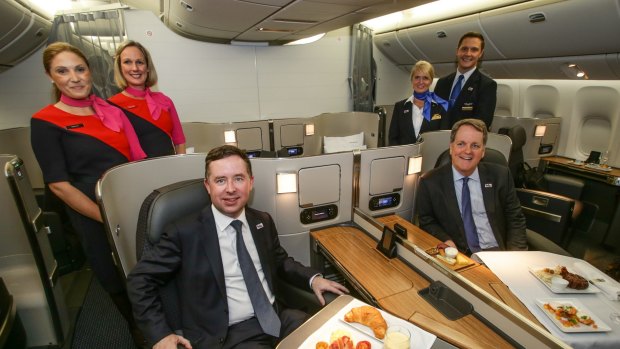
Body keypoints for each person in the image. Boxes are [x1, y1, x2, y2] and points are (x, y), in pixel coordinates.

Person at [127, 145, 348, 349]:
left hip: (277, 317)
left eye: (238, 179)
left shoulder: (262, 221)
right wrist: (160, 334)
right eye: (220, 180)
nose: (230, 189)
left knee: (332, 339)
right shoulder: (183, 232)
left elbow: (280, 261)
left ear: (250, 183)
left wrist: (313, 279)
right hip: (229, 333)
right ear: (208, 186)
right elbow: (140, 281)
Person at [31, 42, 147, 347]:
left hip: (127, 203)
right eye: (62, 71)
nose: (74, 77)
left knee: (143, 264)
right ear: (50, 76)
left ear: (90, 71)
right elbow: (59, 185)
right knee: (112, 273)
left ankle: (156, 318)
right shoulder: (45, 122)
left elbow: (133, 160)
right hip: (90, 211)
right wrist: (106, 219)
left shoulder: (110, 111)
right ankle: (136, 328)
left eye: (80, 69)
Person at [416, 119, 527, 254]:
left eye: (475, 146)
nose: (467, 151)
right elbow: (427, 222)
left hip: (499, 254)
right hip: (462, 256)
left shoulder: (501, 176)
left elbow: (515, 219)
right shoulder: (430, 182)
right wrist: (445, 240)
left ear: (483, 151)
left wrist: (515, 255)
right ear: (451, 147)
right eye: (461, 144)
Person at [109, 40, 186, 157]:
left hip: (170, 169)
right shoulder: (112, 106)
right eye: (127, 62)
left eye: (140, 62)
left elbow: (179, 141)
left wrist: (182, 170)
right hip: (138, 172)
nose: (135, 68)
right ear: (120, 68)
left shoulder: (164, 100)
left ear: (148, 68)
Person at [434, 32, 497, 130]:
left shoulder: (487, 85)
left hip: (465, 143)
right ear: (457, 51)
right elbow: (434, 115)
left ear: (480, 54)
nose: (468, 54)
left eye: (474, 50)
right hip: (439, 139)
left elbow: (481, 124)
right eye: (464, 49)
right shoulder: (442, 83)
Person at [388, 60, 449, 146]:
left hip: (430, 156)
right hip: (405, 156)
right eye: (417, 77)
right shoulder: (400, 107)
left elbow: (443, 139)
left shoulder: (441, 107)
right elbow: (393, 138)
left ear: (431, 81)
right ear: (412, 80)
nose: (421, 82)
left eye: (425, 78)